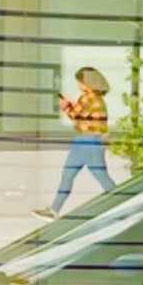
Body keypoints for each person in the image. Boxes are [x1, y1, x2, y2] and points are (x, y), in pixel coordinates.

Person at [50, 64, 115, 209]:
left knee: (77, 175)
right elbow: (83, 117)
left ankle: (122, 205)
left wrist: (65, 106)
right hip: (88, 140)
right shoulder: (97, 98)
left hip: (87, 141)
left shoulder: (88, 98)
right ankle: (54, 209)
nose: (78, 85)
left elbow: (76, 116)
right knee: (76, 174)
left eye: (79, 81)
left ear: (86, 82)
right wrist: (70, 107)